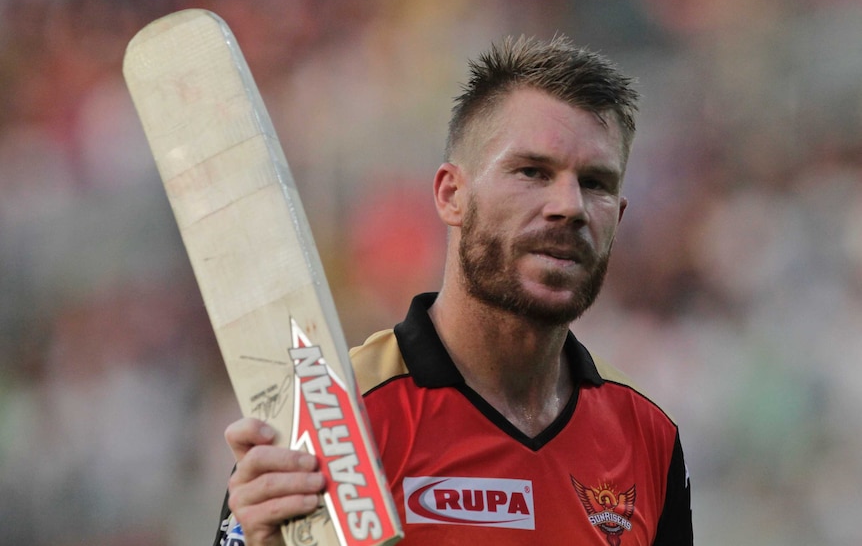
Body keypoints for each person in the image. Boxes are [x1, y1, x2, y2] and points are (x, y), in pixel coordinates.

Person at [213, 35, 693, 546]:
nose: (570, 206)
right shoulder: (335, 418)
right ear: (451, 195)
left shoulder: (648, 436)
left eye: (595, 183)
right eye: (532, 171)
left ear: (617, 218)